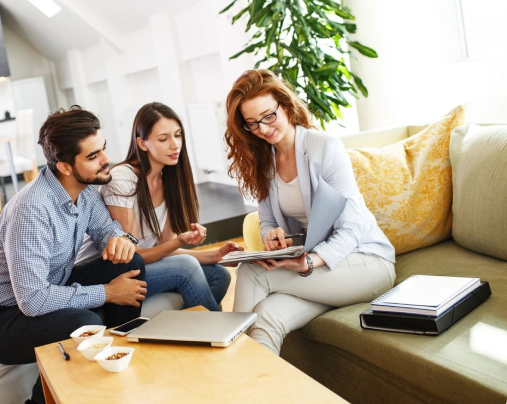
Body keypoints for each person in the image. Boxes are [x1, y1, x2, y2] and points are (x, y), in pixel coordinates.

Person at [0, 106, 147, 404]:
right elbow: (32, 301)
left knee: (130, 262)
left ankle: (112, 370)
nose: (105, 160)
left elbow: (106, 229)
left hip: (45, 293)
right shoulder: (32, 209)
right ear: (64, 165)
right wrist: (109, 293)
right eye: (92, 156)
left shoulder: (84, 189)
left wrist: (120, 239)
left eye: (103, 149)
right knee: (83, 322)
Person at [224, 69, 396, 355]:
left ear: (286, 106)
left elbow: (351, 228)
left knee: (253, 273)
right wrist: (272, 236)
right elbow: (266, 220)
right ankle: (257, 396)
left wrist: (310, 263)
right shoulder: (265, 162)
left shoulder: (324, 148)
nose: (264, 129)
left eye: (269, 116)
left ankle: (226, 362)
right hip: (324, 272)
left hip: (366, 262)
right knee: (267, 317)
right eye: (252, 124)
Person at [100, 102, 238, 311]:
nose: (175, 145)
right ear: (142, 143)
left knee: (219, 275)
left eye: (178, 135)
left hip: (148, 265)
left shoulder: (168, 179)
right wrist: (179, 241)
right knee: (186, 268)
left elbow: (164, 248)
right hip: (122, 271)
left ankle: (188, 335)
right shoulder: (123, 178)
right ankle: (220, 335)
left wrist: (215, 255)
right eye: (163, 139)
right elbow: (132, 256)